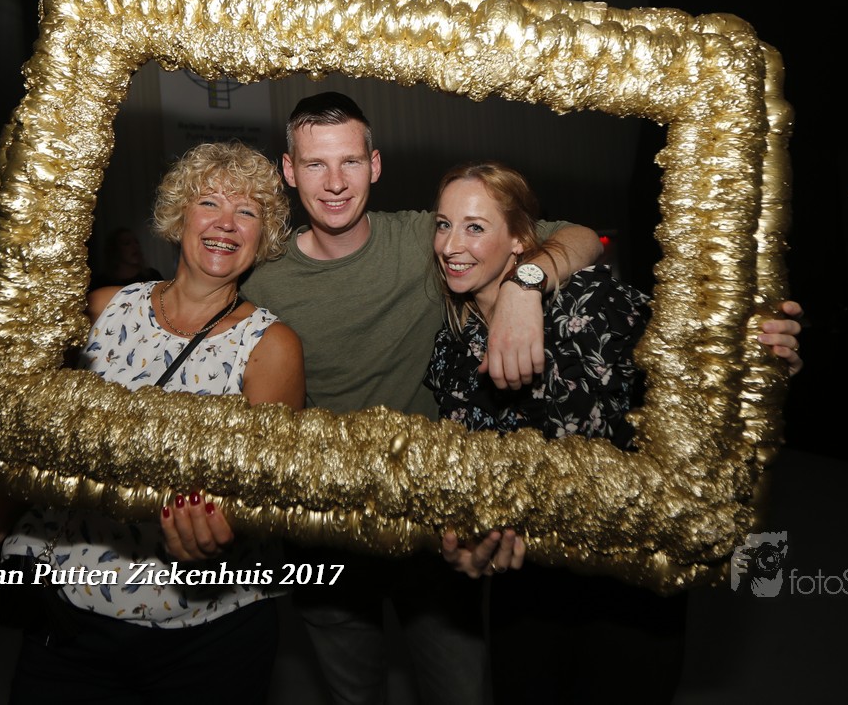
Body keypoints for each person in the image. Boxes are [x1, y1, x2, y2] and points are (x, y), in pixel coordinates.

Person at [0, 141, 304, 705]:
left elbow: (267, 495)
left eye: (247, 211)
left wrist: (229, 528)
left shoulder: (271, 346)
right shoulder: (101, 309)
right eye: (209, 203)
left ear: (264, 235)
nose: (226, 223)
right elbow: (31, 447)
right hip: (68, 617)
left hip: (203, 631)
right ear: (179, 216)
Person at [239, 92, 613, 705]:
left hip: (436, 531)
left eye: (350, 161)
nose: (335, 183)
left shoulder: (430, 237)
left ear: (375, 165)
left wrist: (525, 286)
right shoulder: (263, 276)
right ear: (288, 170)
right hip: (324, 533)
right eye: (314, 164)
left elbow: (579, 237)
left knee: (460, 690)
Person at [423, 161, 802, 705]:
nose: (450, 245)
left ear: (520, 241)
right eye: (443, 224)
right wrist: (464, 547)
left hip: (630, 574)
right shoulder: (450, 347)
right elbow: (467, 478)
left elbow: (696, 364)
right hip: (526, 583)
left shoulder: (589, 300)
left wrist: (762, 359)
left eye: (475, 227)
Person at [89, 226, 165, 289]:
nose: (135, 246)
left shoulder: (152, 276)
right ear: (115, 249)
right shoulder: (102, 283)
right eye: (127, 243)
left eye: (136, 242)